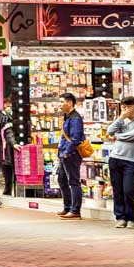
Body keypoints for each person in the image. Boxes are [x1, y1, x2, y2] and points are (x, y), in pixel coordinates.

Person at [106, 96, 134, 229]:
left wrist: (118, 137)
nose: (127, 109)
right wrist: (120, 117)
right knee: (117, 190)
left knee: (129, 190)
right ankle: (120, 217)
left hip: (132, 160)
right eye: (124, 107)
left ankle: (132, 218)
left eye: (129, 107)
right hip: (115, 158)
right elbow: (109, 131)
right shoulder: (121, 121)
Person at [56, 92, 86, 221]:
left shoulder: (75, 118)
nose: (60, 105)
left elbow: (76, 138)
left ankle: (75, 210)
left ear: (69, 103)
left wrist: (67, 152)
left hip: (71, 154)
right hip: (64, 153)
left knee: (73, 181)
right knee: (62, 180)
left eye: (61, 102)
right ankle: (67, 207)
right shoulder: (67, 117)